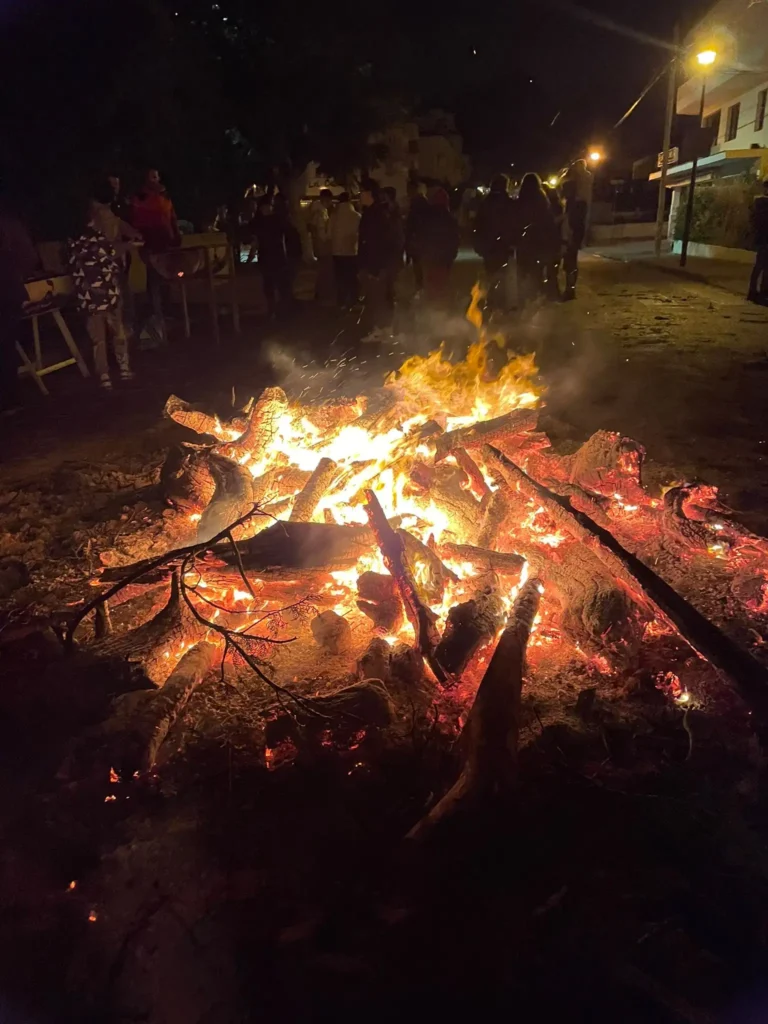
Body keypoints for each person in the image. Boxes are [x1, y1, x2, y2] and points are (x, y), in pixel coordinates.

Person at [66, 197, 132, 389]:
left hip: (89, 298)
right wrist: (129, 246)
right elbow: (111, 255)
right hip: (108, 295)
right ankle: (124, 369)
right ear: (95, 219)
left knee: (98, 339)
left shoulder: (73, 244)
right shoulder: (98, 240)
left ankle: (104, 376)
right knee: (118, 332)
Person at [130, 169, 181, 344]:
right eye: (152, 176)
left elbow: (172, 216)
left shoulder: (165, 196)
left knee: (166, 277)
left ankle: (166, 312)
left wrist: (176, 235)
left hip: (166, 243)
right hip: (151, 244)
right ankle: (156, 314)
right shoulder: (141, 197)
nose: (155, 179)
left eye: (157, 176)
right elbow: (137, 220)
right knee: (153, 279)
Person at [0, 196, 39, 412]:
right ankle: (10, 397)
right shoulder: (10, 224)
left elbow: (28, 256)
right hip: (10, 290)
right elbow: (29, 257)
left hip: (7, 291)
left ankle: (9, 398)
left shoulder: (9, 225)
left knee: (5, 345)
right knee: (6, 344)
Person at [358, 182, 401, 335]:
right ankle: (382, 329)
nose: (360, 195)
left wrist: (374, 268)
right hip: (378, 264)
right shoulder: (376, 212)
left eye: (362, 192)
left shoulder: (375, 214)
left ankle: (381, 330)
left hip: (376, 265)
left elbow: (376, 243)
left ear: (370, 193)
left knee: (378, 299)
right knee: (378, 298)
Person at [474, 174, 518, 308]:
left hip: (488, 245)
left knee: (490, 272)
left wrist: (479, 243)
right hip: (503, 245)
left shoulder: (485, 203)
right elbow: (513, 224)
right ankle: (500, 301)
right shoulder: (509, 203)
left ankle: (491, 299)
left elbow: (478, 224)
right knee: (503, 273)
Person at [515, 173, 559, 307]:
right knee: (537, 271)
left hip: (524, 242)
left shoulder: (520, 201)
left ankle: (523, 297)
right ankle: (535, 295)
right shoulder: (542, 201)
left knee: (523, 271)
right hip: (539, 241)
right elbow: (548, 222)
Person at [251, 194, 293, 317]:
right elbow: (256, 241)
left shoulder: (267, 221)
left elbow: (256, 241)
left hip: (273, 256)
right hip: (272, 256)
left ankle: (277, 310)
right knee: (274, 285)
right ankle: (277, 310)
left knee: (274, 285)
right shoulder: (274, 220)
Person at [417, 186, 459, 305]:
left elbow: (422, 236)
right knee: (442, 284)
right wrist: (451, 255)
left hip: (430, 257)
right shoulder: (449, 219)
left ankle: (432, 305)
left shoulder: (427, 218)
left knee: (431, 284)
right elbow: (454, 239)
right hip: (444, 259)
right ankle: (442, 305)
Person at [561, 158, 594, 301]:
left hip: (571, 229)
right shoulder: (584, 196)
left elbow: (568, 216)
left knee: (569, 259)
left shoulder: (574, 201)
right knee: (571, 259)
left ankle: (570, 289)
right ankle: (570, 288)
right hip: (577, 228)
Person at [330, 191, 361, 309]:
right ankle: (353, 299)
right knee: (352, 277)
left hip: (337, 252)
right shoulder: (357, 216)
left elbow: (328, 234)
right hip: (352, 251)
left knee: (340, 277)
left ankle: (341, 300)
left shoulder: (334, 216)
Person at [308, 188, 334, 303]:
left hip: (319, 244)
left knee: (323, 269)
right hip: (322, 245)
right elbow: (317, 229)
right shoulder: (319, 212)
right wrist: (324, 241)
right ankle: (321, 292)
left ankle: (320, 292)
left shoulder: (318, 210)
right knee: (325, 269)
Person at [405, 181, 430, 291]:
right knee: (419, 263)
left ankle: (421, 285)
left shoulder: (417, 203)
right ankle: (421, 285)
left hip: (418, 238)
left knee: (419, 263)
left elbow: (413, 222)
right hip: (419, 238)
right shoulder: (421, 202)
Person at [541, 181, 565, 300]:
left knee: (548, 268)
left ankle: (548, 292)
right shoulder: (557, 206)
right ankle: (552, 292)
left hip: (548, 241)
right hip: (554, 241)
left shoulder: (547, 207)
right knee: (552, 269)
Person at [748, 180, 768, 304]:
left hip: (762, 239)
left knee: (761, 266)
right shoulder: (762, 203)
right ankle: (761, 292)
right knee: (762, 266)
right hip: (764, 239)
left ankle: (755, 292)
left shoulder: (758, 203)